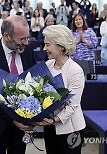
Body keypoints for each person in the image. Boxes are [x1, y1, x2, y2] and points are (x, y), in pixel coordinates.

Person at [0, 15, 36, 154]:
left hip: (22, 123)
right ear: (7, 36)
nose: (26, 42)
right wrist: (14, 120)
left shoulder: (27, 50)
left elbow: (33, 81)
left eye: (27, 37)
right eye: (22, 39)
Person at [33, 24, 86, 154]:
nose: (45, 48)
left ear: (61, 46)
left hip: (71, 128)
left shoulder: (75, 70)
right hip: (50, 127)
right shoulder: (47, 65)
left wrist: (52, 120)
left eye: (48, 45)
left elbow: (72, 106)